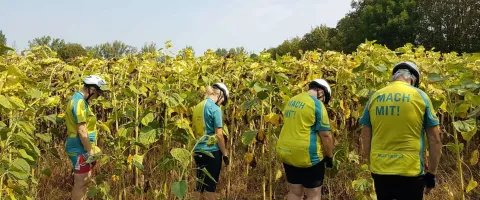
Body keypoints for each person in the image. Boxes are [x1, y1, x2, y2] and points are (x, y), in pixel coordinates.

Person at [359, 62, 442, 200]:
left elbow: (365, 136)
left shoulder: (375, 97)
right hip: (410, 170)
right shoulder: (421, 96)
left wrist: (370, 163)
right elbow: (435, 140)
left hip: (380, 169)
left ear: (394, 76)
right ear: (413, 79)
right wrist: (432, 173)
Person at [276, 79, 334, 200]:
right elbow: (326, 135)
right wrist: (329, 156)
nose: (323, 102)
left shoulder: (292, 100)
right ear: (321, 92)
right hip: (308, 156)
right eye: (324, 99)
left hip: (286, 152)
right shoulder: (317, 104)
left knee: (294, 192)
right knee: (313, 194)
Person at [64, 75, 109, 200]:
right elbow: (82, 131)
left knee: (84, 182)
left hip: (82, 147)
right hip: (79, 148)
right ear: (92, 90)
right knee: (81, 183)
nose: (98, 97)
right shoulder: (78, 103)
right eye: (98, 93)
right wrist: (90, 151)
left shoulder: (81, 101)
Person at [192, 82, 230, 200]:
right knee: (210, 187)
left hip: (198, 150)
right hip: (212, 151)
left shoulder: (198, 106)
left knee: (199, 185)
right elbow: (219, 135)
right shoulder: (215, 109)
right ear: (220, 95)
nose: (221, 104)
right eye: (222, 101)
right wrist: (225, 154)